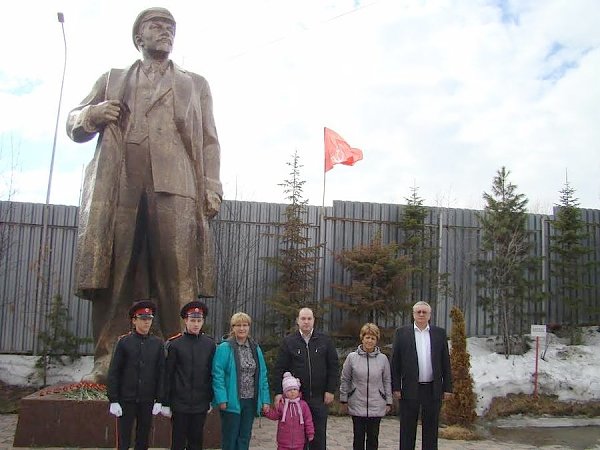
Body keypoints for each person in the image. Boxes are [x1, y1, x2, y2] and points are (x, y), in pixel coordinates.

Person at [66, 7, 222, 382]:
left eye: (170, 27)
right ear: (139, 37)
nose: (165, 31)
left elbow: (210, 140)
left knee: (178, 275)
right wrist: (93, 114)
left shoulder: (194, 84)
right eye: (156, 26)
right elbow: (73, 122)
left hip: (177, 184)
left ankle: (183, 360)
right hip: (121, 182)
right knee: (116, 271)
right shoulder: (113, 79)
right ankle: (107, 359)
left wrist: (212, 187)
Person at [273, 307, 339, 450]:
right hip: (296, 399)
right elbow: (279, 368)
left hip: (319, 398)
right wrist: (278, 392)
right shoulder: (289, 342)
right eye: (303, 318)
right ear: (298, 321)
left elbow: (333, 367)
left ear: (314, 320)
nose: (306, 322)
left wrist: (330, 390)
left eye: (309, 318)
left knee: (318, 437)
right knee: (298, 439)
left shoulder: (325, 341)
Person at [391, 301, 453, 450]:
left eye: (424, 312)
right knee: (407, 429)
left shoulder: (439, 333)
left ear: (429, 315)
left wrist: (448, 387)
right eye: (418, 312)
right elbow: (395, 363)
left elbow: (445, 362)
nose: (421, 314)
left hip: (432, 389)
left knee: (431, 431)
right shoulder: (402, 333)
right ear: (413, 314)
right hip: (409, 388)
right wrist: (396, 387)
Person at [107, 300, 164, 450]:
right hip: (127, 398)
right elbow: (114, 372)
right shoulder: (124, 342)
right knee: (124, 439)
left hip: (147, 398)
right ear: (134, 320)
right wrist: (113, 399)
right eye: (143, 319)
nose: (147, 323)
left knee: (143, 438)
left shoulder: (157, 343)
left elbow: (161, 373)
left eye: (149, 319)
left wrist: (160, 399)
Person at [161, 300, 215, 450]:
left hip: (200, 402)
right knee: (178, 442)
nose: (196, 324)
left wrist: (210, 398)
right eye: (192, 320)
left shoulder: (209, 344)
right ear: (185, 320)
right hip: (180, 403)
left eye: (199, 320)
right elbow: (168, 374)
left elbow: (211, 373)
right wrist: (165, 401)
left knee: (196, 442)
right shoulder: (175, 344)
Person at [212, 312, 270, 450]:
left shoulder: (255, 348)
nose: (242, 328)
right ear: (233, 327)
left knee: (244, 438)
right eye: (238, 325)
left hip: (250, 401)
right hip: (231, 401)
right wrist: (221, 399)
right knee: (230, 439)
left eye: (245, 325)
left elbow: (262, 375)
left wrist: (265, 400)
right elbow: (217, 374)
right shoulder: (225, 348)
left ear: (249, 327)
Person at [339, 323, 392, 450]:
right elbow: (345, 379)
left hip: (376, 404)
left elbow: (387, 381)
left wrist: (388, 401)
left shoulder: (383, 359)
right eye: (367, 337)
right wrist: (344, 398)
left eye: (372, 338)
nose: (369, 341)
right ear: (362, 338)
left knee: (373, 438)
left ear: (376, 340)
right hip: (357, 403)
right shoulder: (352, 358)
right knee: (358, 438)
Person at [264, 372, 315, 450]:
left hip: (299, 441)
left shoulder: (303, 405)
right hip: (283, 441)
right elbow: (275, 415)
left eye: (294, 389)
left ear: (298, 390)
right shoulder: (282, 405)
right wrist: (267, 412)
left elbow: (308, 420)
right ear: (284, 392)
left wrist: (310, 432)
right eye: (289, 390)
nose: (292, 392)